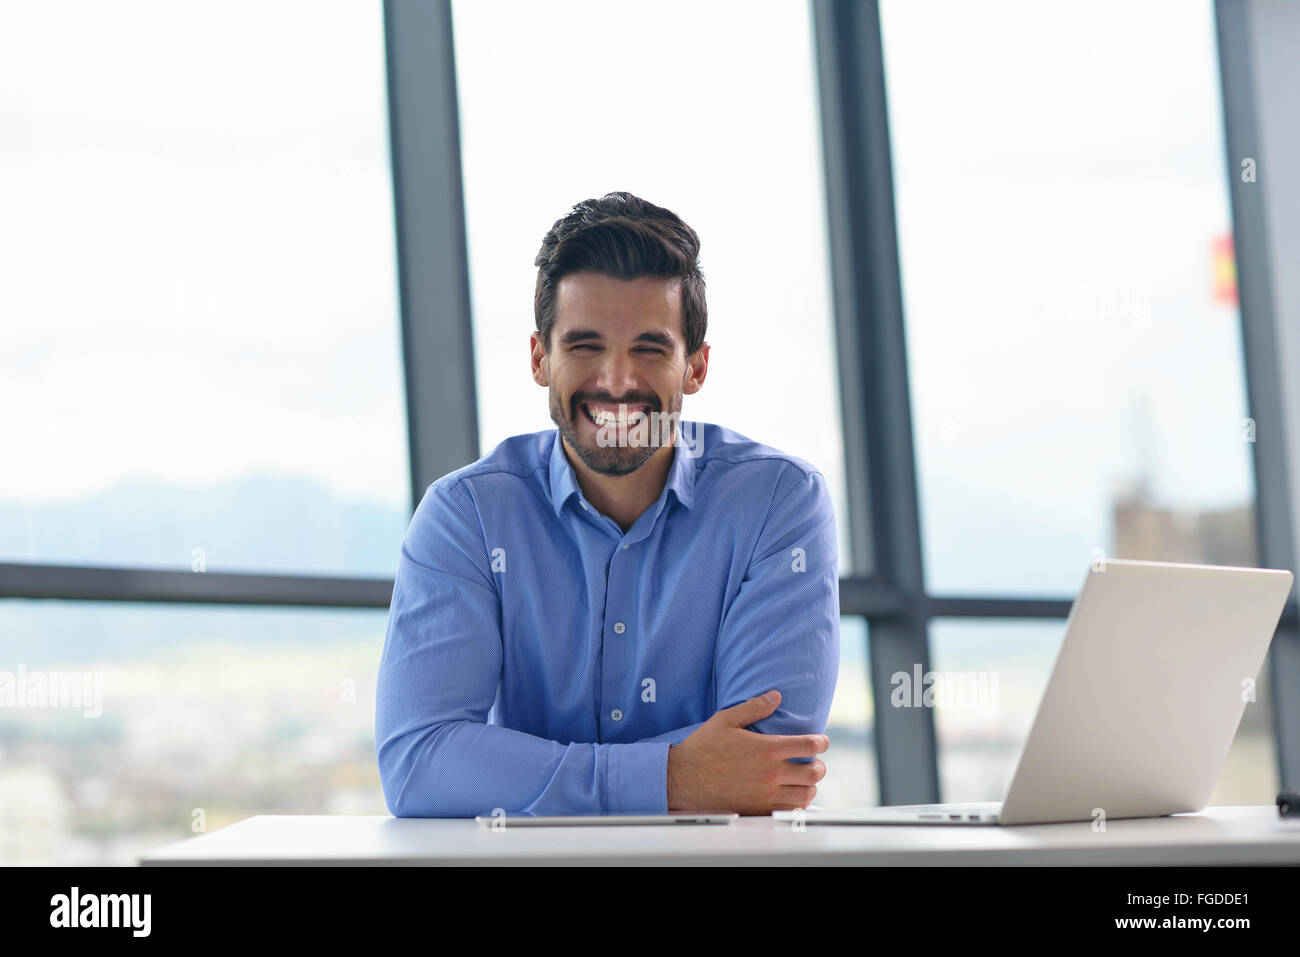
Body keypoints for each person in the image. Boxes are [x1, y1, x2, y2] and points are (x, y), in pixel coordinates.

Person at [375, 191, 838, 816]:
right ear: (541, 358)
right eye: (585, 346)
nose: (617, 382)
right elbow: (421, 766)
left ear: (696, 367)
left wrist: (519, 771)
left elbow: (770, 760)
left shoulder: (777, 503)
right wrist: (673, 777)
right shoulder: (469, 516)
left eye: (649, 349)